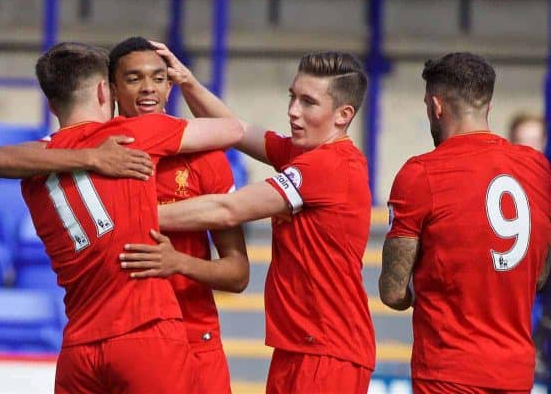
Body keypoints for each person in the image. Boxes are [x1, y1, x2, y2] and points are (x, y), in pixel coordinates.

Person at [0, 36, 249, 394]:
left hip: (188, 335)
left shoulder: (203, 159)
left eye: (159, 78)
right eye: (134, 78)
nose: (148, 89)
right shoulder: (126, 140)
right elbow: (235, 129)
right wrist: (94, 156)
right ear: (106, 90)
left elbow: (237, 274)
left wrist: (178, 262)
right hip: (147, 333)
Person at [120, 45, 376, 393]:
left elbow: (228, 210)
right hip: (299, 346)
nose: (292, 112)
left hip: (328, 350)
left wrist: (124, 214)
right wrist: (189, 82)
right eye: (292, 97)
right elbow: (236, 130)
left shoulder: (329, 166)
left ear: (344, 114)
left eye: (308, 102)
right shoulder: (303, 154)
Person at [379, 52, 551, 393]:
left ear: (436, 106)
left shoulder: (421, 173)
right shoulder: (537, 169)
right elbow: (540, 274)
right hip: (516, 373)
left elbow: (393, 291)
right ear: (486, 106)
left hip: (449, 372)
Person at [508, 112, 551, 382]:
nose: (530, 148)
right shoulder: (499, 188)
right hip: (509, 298)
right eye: (523, 141)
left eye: (535, 140)